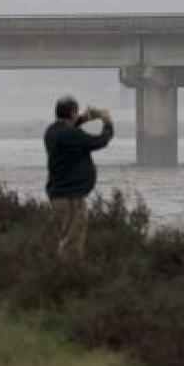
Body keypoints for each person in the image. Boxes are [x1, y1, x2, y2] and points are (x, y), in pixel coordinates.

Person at [44, 96, 114, 263]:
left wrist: (86, 117)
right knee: (73, 242)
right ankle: (72, 278)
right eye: (76, 113)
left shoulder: (52, 131)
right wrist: (107, 123)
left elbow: (69, 126)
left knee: (64, 236)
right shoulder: (72, 135)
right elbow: (100, 141)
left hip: (57, 194)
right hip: (72, 198)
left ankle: (56, 273)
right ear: (73, 112)